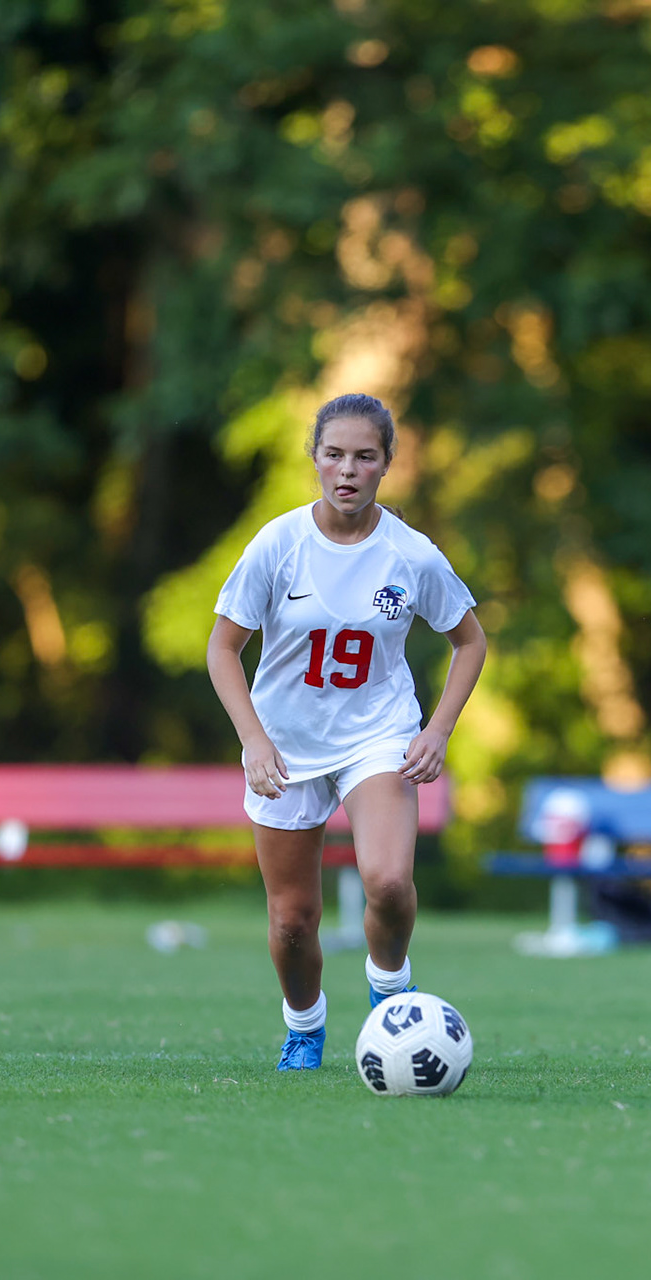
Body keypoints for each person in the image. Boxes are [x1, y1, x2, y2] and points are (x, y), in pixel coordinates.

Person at [206, 393, 487, 1070]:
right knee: (292, 920)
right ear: (314, 459)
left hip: (377, 737)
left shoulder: (412, 555)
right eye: (334, 455)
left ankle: (391, 991)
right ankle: (304, 1027)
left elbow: (470, 642)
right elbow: (222, 649)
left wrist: (438, 731)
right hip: (286, 746)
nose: (348, 470)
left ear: (387, 463)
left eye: (365, 456)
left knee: (388, 882)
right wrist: (253, 740)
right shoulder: (278, 544)